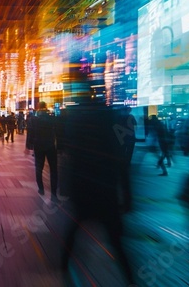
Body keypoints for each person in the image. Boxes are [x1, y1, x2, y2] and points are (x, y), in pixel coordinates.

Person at [60, 105, 135, 285]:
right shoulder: (111, 138)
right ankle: (130, 279)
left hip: (85, 193)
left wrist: (68, 189)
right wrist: (126, 195)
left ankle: (63, 263)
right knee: (116, 241)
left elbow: (71, 165)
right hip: (106, 195)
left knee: (75, 228)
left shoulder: (81, 139)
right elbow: (121, 168)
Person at [27, 102, 59, 202]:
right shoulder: (52, 118)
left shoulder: (34, 119)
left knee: (39, 168)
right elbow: (57, 132)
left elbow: (30, 132)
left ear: (38, 108)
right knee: (53, 169)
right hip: (50, 146)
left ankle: (41, 189)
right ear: (45, 107)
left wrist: (29, 145)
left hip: (38, 146)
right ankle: (54, 193)